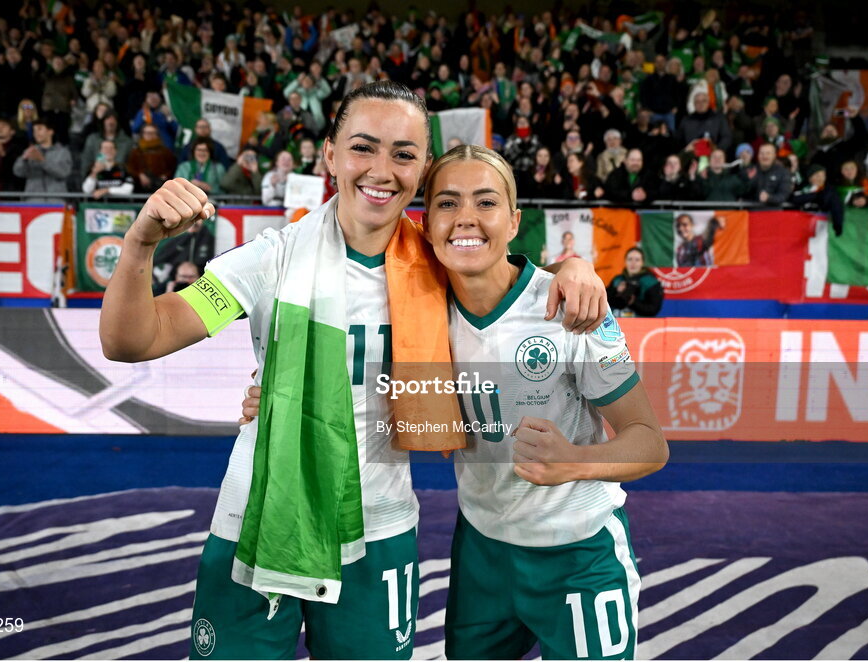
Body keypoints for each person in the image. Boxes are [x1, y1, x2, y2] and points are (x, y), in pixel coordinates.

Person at [99, 81, 607, 661]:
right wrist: (139, 244)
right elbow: (133, 339)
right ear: (330, 156)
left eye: (404, 154)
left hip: (378, 533)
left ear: (423, 170)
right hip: (261, 520)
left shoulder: (442, 263)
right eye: (363, 147)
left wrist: (576, 266)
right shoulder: (273, 257)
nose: (381, 170)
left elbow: (515, 280)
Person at [406, 145, 669, 659]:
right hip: (481, 547)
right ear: (426, 221)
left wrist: (576, 460)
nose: (466, 219)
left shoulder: (571, 307)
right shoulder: (416, 306)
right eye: (447, 203)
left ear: (513, 221)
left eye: (486, 203)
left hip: (579, 551)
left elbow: (650, 444)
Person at [13, 119, 73, 199]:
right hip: (33, 201)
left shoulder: (62, 152)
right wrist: (23, 160)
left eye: (40, 129)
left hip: (56, 201)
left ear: (50, 131)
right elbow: (18, 172)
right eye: (34, 131)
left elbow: (63, 172)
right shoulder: (31, 151)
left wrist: (42, 161)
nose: (36, 133)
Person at [606, 247, 664, 317]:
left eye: (637, 260)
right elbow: (605, 302)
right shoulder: (617, 280)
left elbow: (653, 309)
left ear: (642, 262)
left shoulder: (651, 282)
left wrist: (633, 302)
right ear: (625, 261)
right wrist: (616, 291)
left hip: (641, 324)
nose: (633, 263)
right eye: (630, 259)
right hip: (617, 323)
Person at [127, 124, 178, 193]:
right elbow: (130, 168)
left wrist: (165, 176)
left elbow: (172, 167)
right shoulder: (136, 152)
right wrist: (139, 174)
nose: (150, 135)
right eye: (147, 133)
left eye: (153, 133)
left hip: (161, 187)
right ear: (142, 134)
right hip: (140, 187)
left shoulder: (165, 152)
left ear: (157, 134)